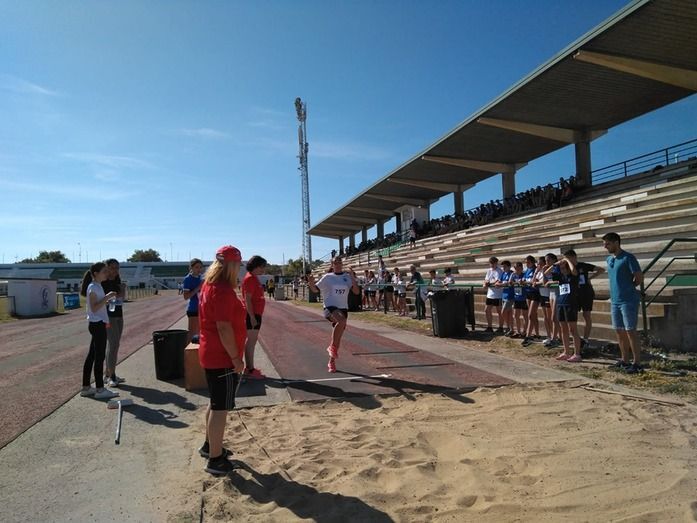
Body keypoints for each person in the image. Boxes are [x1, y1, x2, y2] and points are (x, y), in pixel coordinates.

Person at [197, 245, 246, 476]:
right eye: (238, 265)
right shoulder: (223, 290)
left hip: (212, 352)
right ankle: (215, 460)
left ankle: (210, 446)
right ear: (231, 266)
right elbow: (224, 327)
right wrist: (236, 358)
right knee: (220, 408)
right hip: (221, 356)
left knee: (215, 402)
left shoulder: (209, 285)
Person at [307, 256, 360, 373]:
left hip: (343, 308)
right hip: (329, 307)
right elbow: (315, 290)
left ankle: (331, 362)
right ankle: (332, 349)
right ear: (332, 265)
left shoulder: (347, 277)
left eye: (339, 262)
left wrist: (352, 277)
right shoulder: (327, 277)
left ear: (342, 264)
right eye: (335, 263)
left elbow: (356, 292)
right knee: (341, 321)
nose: (338, 264)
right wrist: (311, 283)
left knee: (337, 338)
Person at [603, 232, 644, 373]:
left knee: (630, 330)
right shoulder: (609, 259)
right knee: (619, 331)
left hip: (628, 300)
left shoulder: (628, 257)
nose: (605, 247)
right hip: (615, 300)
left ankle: (637, 363)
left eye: (608, 244)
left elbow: (638, 277)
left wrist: (629, 287)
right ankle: (625, 360)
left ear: (616, 242)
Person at [79, 262, 119, 400]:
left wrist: (105, 301)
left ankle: (86, 387)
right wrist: (107, 297)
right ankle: (100, 389)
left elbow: (96, 305)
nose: (107, 274)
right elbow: (94, 308)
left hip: (97, 323)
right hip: (97, 324)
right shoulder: (93, 287)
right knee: (99, 357)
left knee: (92, 355)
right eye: (104, 271)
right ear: (96, 274)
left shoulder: (97, 286)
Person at [564, 249, 604, 348]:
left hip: (586, 293)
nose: (566, 261)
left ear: (574, 257)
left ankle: (585, 339)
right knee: (573, 317)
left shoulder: (583, 265)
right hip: (574, 294)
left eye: (568, 258)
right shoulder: (567, 268)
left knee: (586, 315)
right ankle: (576, 338)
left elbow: (601, 269)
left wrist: (590, 278)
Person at [546, 257, 582, 362]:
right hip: (561, 304)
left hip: (571, 304)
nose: (561, 270)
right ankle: (566, 352)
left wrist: (567, 260)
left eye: (563, 268)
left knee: (573, 330)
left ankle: (577, 354)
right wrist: (556, 264)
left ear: (567, 268)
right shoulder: (560, 277)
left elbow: (574, 270)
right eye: (560, 268)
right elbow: (547, 273)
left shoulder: (573, 276)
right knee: (563, 329)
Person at [242, 255, 268, 380]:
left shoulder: (253, 278)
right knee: (251, 342)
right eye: (261, 267)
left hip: (255, 314)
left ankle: (250, 368)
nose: (263, 270)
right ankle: (250, 369)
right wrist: (252, 316)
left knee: (252, 341)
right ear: (255, 266)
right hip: (252, 314)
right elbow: (247, 299)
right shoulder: (250, 279)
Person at [102, 258, 126, 387]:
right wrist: (115, 296)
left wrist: (122, 290)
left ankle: (108, 374)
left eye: (117, 268)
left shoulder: (117, 281)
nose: (115, 270)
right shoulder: (103, 282)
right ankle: (111, 376)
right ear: (107, 268)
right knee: (113, 345)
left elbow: (121, 298)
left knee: (114, 345)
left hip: (118, 315)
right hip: (108, 316)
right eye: (112, 268)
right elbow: (103, 300)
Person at [183, 258, 204, 344]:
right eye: (196, 267)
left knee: (200, 333)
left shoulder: (201, 278)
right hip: (193, 309)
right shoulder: (188, 279)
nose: (199, 269)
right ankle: (185, 351)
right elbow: (186, 296)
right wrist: (198, 288)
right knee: (192, 333)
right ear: (191, 268)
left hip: (201, 308)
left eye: (200, 267)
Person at [522, 256, 540, 346]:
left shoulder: (535, 269)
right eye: (526, 262)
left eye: (528, 262)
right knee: (533, 315)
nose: (527, 264)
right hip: (528, 292)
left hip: (535, 293)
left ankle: (528, 336)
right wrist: (523, 281)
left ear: (532, 262)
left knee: (530, 315)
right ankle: (537, 334)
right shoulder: (527, 270)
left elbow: (534, 281)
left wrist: (526, 282)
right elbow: (525, 279)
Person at [483, 256, 503, 333]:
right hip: (490, 294)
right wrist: (485, 283)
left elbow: (497, 281)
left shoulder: (499, 271)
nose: (491, 264)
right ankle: (490, 327)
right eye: (490, 263)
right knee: (487, 310)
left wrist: (488, 283)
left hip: (498, 294)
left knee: (499, 311)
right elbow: (486, 279)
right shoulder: (489, 270)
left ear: (496, 263)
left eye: (493, 263)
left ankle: (500, 327)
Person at [494, 260, 514, 335]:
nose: (503, 268)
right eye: (503, 267)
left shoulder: (511, 273)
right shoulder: (503, 273)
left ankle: (509, 327)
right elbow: (499, 281)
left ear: (509, 266)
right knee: (508, 314)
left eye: (505, 266)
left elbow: (508, 283)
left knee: (503, 312)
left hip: (510, 296)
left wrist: (500, 284)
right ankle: (510, 328)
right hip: (504, 295)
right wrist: (498, 283)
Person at [511, 262, 529, 337]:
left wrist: (522, 282)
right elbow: (510, 282)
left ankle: (524, 331)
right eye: (515, 268)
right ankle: (518, 331)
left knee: (525, 315)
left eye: (518, 268)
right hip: (516, 298)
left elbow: (527, 282)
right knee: (516, 315)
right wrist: (512, 275)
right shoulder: (514, 275)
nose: (516, 270)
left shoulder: (524, 274)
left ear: (521, 268)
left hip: (524, 298)